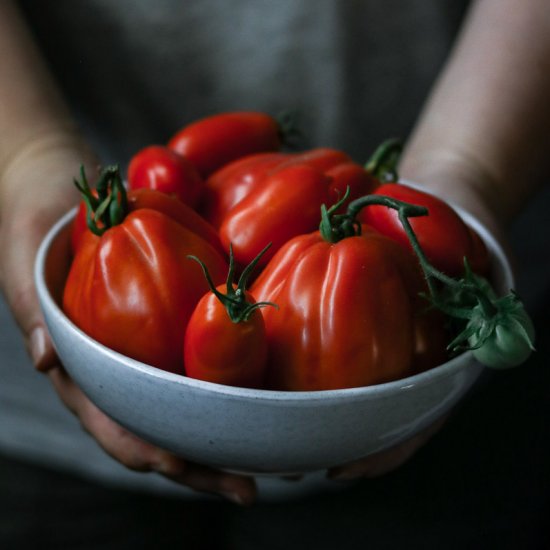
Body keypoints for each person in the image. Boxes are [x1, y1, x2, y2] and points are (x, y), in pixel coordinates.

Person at [0, 0, 548, 547]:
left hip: (448, 416)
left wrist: (468, 167)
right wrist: (26, 156)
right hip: (39, 427)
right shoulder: (168, 230)